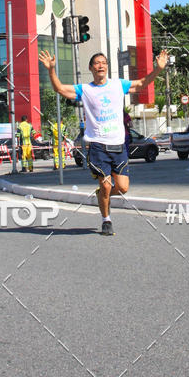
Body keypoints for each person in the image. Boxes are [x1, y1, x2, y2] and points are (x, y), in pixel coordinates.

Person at [39, 48, 168, 236]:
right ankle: (106, 220)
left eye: (104, 63)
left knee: (122, 188)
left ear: (107, 67)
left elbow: (141, 83)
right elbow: (59, 88)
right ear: (91, 68)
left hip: (119, 145)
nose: (101, 66)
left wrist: (158, 68)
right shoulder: (85, 89)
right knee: (106, 185)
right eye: (97, 63)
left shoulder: (118, 85)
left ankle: (102, 195)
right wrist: (51, 70)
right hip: (98, 146)